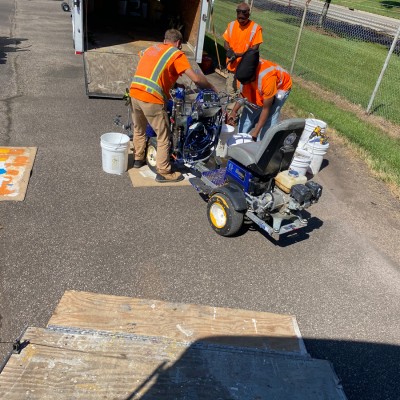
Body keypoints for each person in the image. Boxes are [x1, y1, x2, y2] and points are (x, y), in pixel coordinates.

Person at [129, 29, 217, 183]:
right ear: (178, 43)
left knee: (139, 128)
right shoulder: (176, 54)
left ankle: (138, 158)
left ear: (165, 40)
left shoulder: (150, 49)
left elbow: (155, 70)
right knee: (164, 136)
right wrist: (211, 88)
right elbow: (196, 79)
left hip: (135, 93)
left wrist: (174, 83)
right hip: (151, 98)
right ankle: (163, 172)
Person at [227, 50, 292, 142]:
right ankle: (240, 141)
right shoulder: (243, 75)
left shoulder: (267, 79)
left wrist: (255, 132)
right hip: (261, 85)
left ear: (252, 77)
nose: (244, 84)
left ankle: (263, 143)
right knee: (249, 111)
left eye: (247, 82)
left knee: (271, 116)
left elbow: (266, 109)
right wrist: (234, 111)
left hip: (281, 87)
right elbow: (243, 96)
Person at [222, 2, 263, 96]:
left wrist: (237, 55)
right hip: (232, 67)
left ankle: (238, 110)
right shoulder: (231, 25)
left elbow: (254, 50)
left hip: (245, 68)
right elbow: (226, 41)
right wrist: (229, 50)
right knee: (230, 92)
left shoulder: (256, 28)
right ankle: (231, 110)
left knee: (242, 94)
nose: (240, 20)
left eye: (243, 19)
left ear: (248, 15)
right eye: (239, 18)